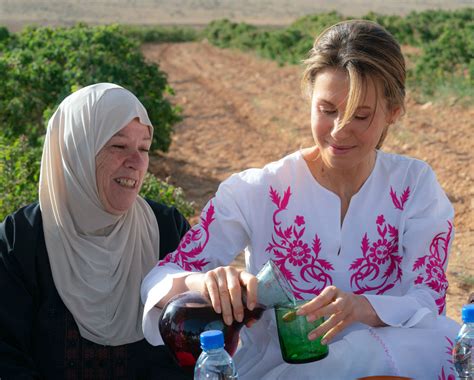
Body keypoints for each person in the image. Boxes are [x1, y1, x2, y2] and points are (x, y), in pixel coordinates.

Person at [141, 21, 460, 379]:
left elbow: (428, 298)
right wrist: (206, 282)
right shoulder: (258, 190)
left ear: (393, 112)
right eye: (327, 110)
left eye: (361, 115)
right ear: (309, 99)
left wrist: (363, 307)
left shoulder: (414, 185)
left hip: (395, 358)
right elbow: (159, 278)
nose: (340, 129)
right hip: (288, 368)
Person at [0, 83, 192, 379]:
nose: (137, 162)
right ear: (75, 149)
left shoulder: (168, 228)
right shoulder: (19, 242)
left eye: (144, 148)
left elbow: (190, 345)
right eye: (118, 146)